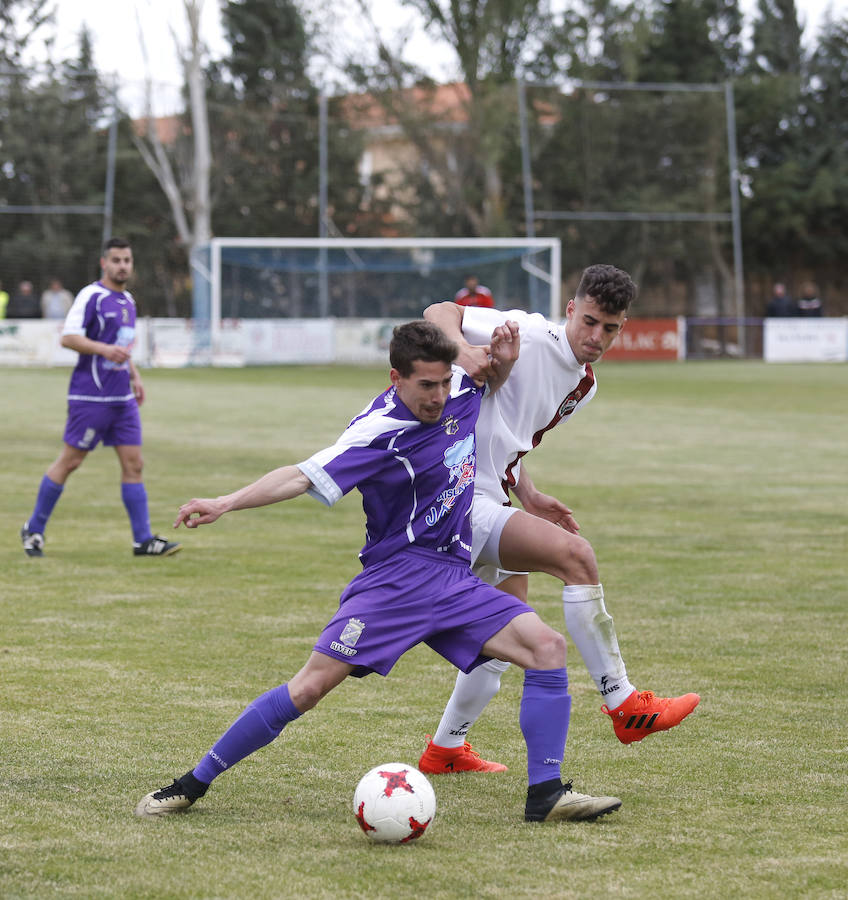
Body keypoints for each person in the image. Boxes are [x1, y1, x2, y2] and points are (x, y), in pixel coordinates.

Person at [134, 320, 622, 825]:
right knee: (309, 688)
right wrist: (225, 501)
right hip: (396, 582)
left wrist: (506, 361)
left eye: (443, 383)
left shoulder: (461, 389)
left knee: (546, 648)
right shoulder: (377, 431)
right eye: (425, 386)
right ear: (396, 379)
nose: (437, 397)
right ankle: (191, 784)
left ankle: (545, 791)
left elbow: (489, 391)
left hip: (453, 578)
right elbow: (299, 476)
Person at [417, 264, 699, 774]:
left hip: (489, 495)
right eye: (588, 321)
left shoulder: (584, 385)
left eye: (609, 329)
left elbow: (506, 429)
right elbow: (438, 312)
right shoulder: (527, 330)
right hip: (454, 498)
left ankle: (445, 750)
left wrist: (528, 491)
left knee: (507, 631)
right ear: (570, 309)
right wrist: (464, 353)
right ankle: (623, 703)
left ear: (622, 326)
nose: (596, 337)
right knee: (575, 557)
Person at [20, 238, 180, 559]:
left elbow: (123, 345)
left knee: (134, 464)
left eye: (127, 260)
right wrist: (104, 349)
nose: (123, 265)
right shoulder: (91, 296)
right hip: (90, 397)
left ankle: (143, 540)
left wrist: (134, 374)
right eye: (117, 260)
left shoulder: (129, 301)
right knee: (71, 461)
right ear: (104, 263)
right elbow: (68, 337)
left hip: (122, 399)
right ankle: (34, 529)